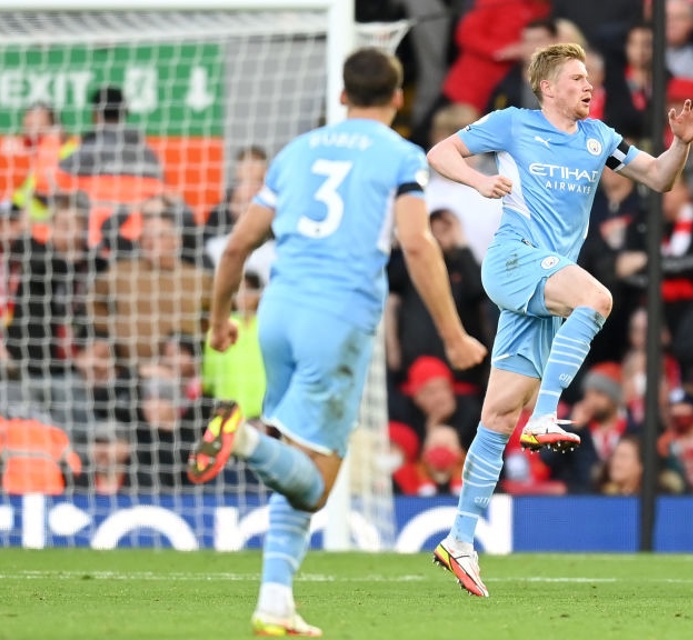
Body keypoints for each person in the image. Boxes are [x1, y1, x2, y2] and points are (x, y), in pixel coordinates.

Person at [183, 48, 487, 636]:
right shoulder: (401, 155)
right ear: (399, 99)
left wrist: (219, 320)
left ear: (342, 96)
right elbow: (418, 245)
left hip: (277, 313)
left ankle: (275, 602)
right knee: (316, 486)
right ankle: (242, 439)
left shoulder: (297, 151)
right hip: (337, 318)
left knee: (296, 460)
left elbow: (239, 244)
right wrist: (453, 334)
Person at [426, 42, 693, 597]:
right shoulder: (511, 123)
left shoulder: (599, 136)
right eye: (578, 78)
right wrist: (481, 183)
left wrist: (680, 144)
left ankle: (459, 539)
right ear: (549, 86)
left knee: (500, 415)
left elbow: (658, 178)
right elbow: (440, 152)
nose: (588, 86)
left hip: (548, 280)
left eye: (591, 79)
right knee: (598, 300)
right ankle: (549, 416)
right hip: (514, 259)